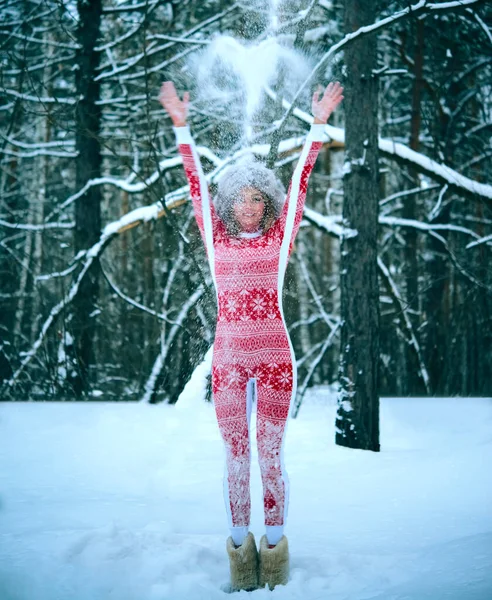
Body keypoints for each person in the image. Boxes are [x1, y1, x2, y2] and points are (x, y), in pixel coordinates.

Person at [159, 80, 343, 591]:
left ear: (267, 204)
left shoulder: (280, 239)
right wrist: (182, 128)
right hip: (230, 361)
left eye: (257, 197)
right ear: (229, 205)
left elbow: (303, 178)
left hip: (277, 360)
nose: (249, 205)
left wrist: (319, 124)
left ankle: (275, 554)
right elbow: (195, 182)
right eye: (240, 198)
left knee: (271, 454)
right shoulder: (217, 244)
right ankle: (241, 554)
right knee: (236, 455)